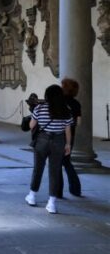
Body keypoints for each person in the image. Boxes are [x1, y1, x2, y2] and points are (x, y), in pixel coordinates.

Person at [25, 84, 73, 214]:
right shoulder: (66, 109)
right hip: (58, 141)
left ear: (47, 95)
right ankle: (52, 202)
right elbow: (67, 130)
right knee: (55, 171)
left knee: (38, 168)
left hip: (42, 140)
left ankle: (32, 196)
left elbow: (31, 125)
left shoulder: (39, 108)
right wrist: (68, 144)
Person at [59, 78, 82, 197]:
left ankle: (57, 192)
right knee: (67, 162)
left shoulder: (59, 101)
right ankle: (75, 189)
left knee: (57, 163)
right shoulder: (76, 103)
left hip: (58, 136)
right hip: (70, 136)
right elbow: (78, 122)